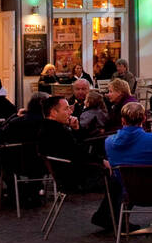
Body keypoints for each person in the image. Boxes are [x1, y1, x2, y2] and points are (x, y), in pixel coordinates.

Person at [40, 93, 114, 229]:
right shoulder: (57, 131)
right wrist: (101, 161)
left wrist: (76, 129)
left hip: (66, 175)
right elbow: (78, 153)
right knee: (119, 179)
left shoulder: (48, 128)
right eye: (66, 109)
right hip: (75, 179)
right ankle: (107, 217)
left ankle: (105, 216)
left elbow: (75, 149)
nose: (70, 112)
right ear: (53, 112)